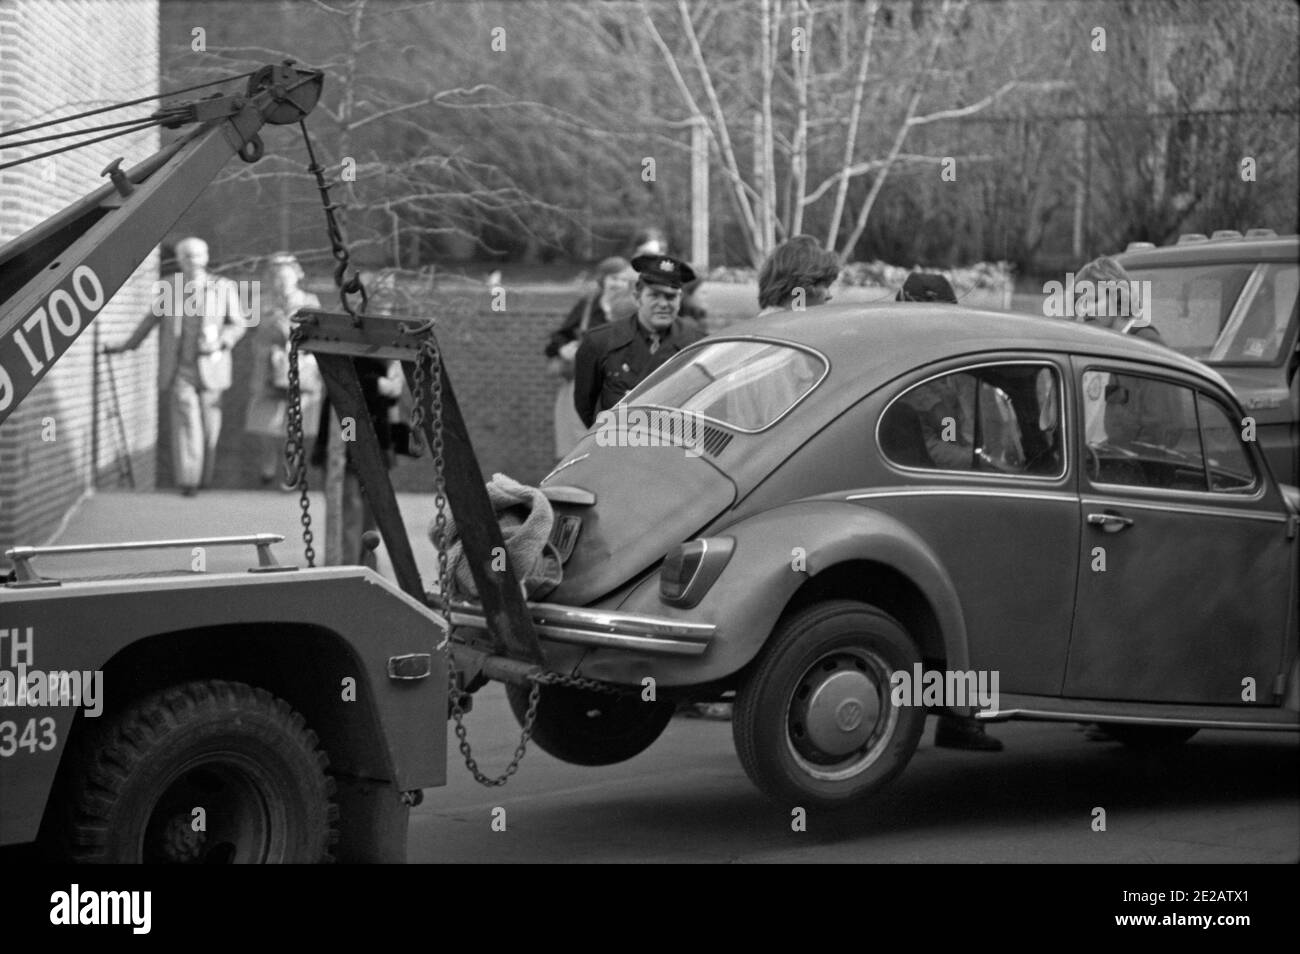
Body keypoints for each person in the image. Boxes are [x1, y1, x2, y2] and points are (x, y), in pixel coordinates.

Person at [892, 270, 1004, 752]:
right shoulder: (922, 371)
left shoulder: (939, 362)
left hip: (940, 496)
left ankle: (961, 715)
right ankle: (959, 716)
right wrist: (990, 465)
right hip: (935, 498)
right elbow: (944, 446)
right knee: (970, 606)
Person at [107, 236, 247, 496]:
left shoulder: (223, 287)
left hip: (212, 366)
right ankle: (189, 481)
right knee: (186, 420)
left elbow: (239, 323)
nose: (192, 261)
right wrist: (127, 346)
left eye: (196, 256)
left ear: (205, 258)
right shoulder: (170, 287)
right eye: (187, 256)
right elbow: (151, 320)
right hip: (180, 367)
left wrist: (221, 341)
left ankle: (203, 477)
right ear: (180, 260)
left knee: (209, 427)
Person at [572, 253, 706, 428]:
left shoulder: (698, 344)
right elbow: (586, 405)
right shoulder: (600, 342)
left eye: (671, 297)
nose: (663, 304)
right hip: (619, 445)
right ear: (637, 297)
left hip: (672, 447)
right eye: (655, 295)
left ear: (680, 300)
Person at [244, 253, 322, 487]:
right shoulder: (260, 302)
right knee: (265, 423)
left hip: (299, 370)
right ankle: (268, 461)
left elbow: (316, 336)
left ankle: (292, 470)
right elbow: (248, 331)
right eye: (276, 277)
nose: (281, 282)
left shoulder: (310, 302)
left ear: (297, 276)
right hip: (267, 369)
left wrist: (290, 332)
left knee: (296, 424)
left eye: (285, 276)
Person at [545, 257, 635, 458]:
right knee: (578, 443)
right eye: (614, 278)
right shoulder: (588, 306)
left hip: (616, 384)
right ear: (603, 279)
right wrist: (563, 348)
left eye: (623, 279)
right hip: (583, 382)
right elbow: (557, 338)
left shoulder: (633, 305)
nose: (618, 284)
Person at [757, 235, 841, 315]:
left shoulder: (764, 323)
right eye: (825, 285)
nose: (829, 296)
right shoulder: (785, 325)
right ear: (799, 287)